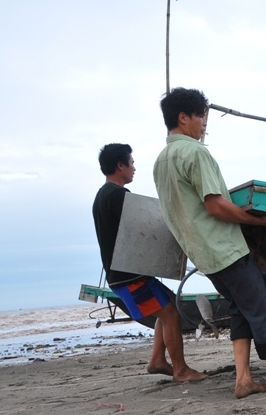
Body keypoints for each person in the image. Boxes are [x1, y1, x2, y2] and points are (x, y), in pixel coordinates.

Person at [153, 88, 266, 398]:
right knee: (260, 309)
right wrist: (257, 221)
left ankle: (244, 379)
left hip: (202, 254)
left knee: (241, 310)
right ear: (183, 118)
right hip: (224, 248)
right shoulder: (196, 153)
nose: (204, 124)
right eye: (201, 117)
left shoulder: (160, 161)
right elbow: (215, 205)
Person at [92, 143, 207, 382]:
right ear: (120, 165)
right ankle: (180, 370)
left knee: (167, 307)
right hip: (128, 276)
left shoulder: (102, 195)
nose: (134, 168)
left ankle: (157, 360)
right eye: (131, 163)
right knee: (170, 314)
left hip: (127, 274)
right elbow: (147, 227)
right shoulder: (117, 196)